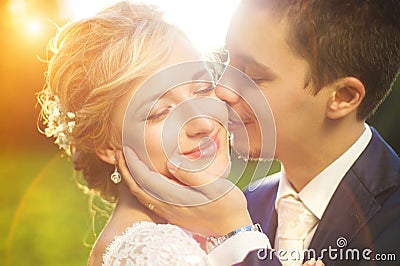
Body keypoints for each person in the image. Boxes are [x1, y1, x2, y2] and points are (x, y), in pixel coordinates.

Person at [123, 0, 400, 265]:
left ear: (343, 97)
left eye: (254, 76)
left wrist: (238, 238)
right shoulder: (244, 203)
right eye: (226, 60)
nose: (221, 90)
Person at [36, 2, 255, 265]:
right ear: (106, 145)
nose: (203, 124)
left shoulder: (188, 233)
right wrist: (238, 228)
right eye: (160, 112)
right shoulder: (159, 254)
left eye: (203, 89)